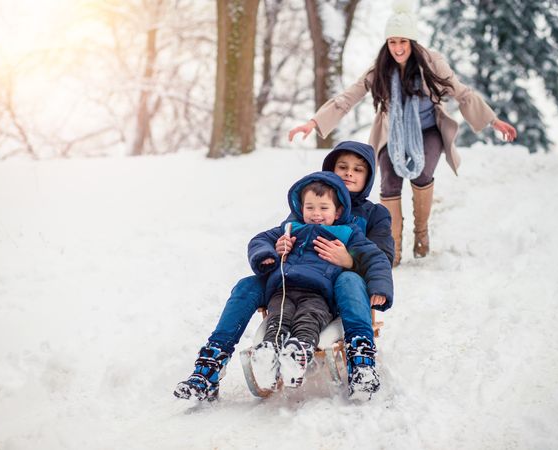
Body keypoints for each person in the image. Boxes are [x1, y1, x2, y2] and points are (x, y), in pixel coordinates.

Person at [288, 0, 518, 267]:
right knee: (389, 182)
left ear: (413, 42)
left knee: (422, 174)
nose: (397, 48)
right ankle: (392, 248)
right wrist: (314, 123)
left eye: (403, 42)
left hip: (428, 130)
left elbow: (462, 93)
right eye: (392, 42)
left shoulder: (433, 63)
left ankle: (421, 231)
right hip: (392, 133)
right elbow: (348, 97)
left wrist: (493, 120)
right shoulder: (381, 69)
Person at [174, 141, 394, 402]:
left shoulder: (370, 216)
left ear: (368, 177)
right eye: (342, 167)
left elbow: (380, 257)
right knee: (247, 285)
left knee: (347, 279)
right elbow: (270, 237)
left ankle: (361, 362)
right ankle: (211, 364)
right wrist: (275, 251)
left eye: (358, 170)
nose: (349, 173)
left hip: (339, 288)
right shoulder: (306, 209)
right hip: (289, 282)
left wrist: (349, 260)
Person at [247, 173, 391, 395]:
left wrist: (378, 286)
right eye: (310, 208)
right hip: (285, 290)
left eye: (324, 208)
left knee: (308, 317)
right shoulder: (291, 228)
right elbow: (260, 239)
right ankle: (269, 356)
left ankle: (299, 351)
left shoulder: (346, 233)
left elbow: (377, 257)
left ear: (338, 211)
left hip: (320, 294)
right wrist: (272, 251)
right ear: (300, 207)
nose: (316, 214)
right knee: (278, 317)